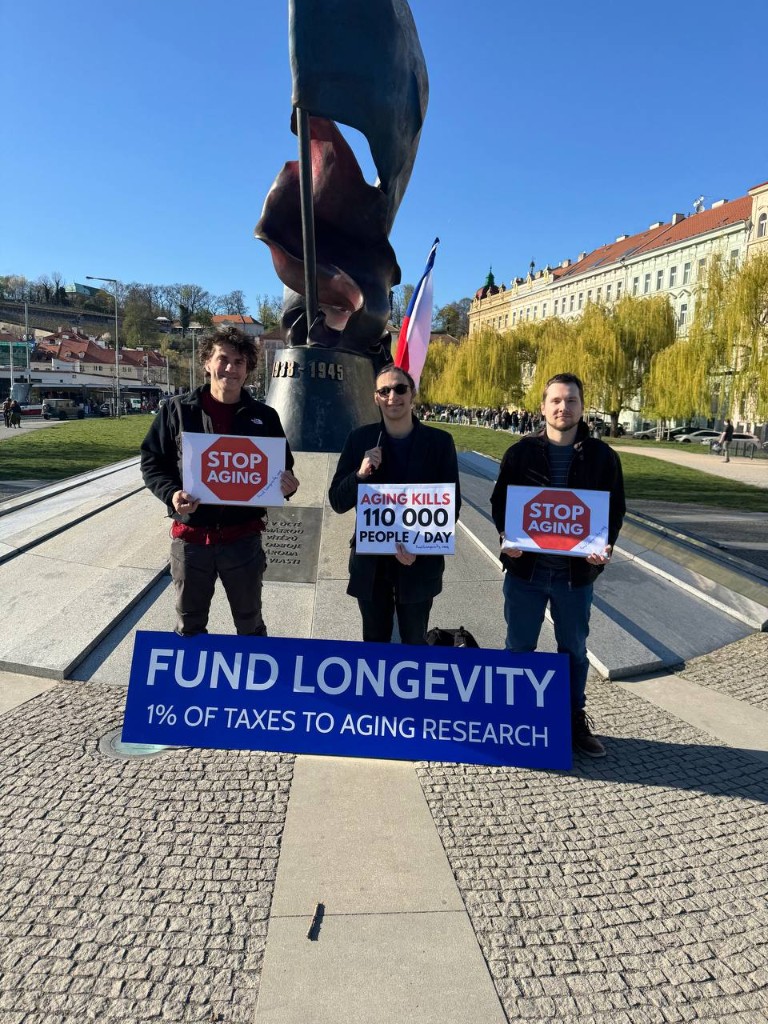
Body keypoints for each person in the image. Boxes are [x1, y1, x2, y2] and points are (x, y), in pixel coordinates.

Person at [490, 373, 625, 757]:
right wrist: (506, 539)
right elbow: (501, 504)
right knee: (518, 646)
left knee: (574, 651)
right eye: (556, 401)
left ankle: (572, 720)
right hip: (526, 572)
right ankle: (516, 719)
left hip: (575, 576)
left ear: (582, 407)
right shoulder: (520, 453)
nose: (563, 408)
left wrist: (605, 546)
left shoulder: (602, 456)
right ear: (543, 407)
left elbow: (614, 510)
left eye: (571, 401)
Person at [140, 326, 300, 637]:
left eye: (239, 361)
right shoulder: (177, 410)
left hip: (243, 541)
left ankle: (253, 683)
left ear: (248, 368)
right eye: (223, 359)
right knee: (189, 625)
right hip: (191, 539)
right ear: (207, 363)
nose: (230, 368)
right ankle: (192, 686)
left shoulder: (265, 417)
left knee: (250, 622)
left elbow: (284, 466)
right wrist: (171, 494)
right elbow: (152, 461)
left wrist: (287, 484)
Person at [329, 365, 461, 645]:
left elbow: (451, 507)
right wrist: (360, 475)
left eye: (400, 388)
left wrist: (420, 550)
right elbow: (337, 501)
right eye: (384, 391)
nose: (393, 396)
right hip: (371, 566)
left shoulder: (439, 442)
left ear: (413, 393)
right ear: (375, 398)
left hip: (418, 565)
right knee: (374, 643)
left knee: (414, 642)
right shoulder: (359, 439)